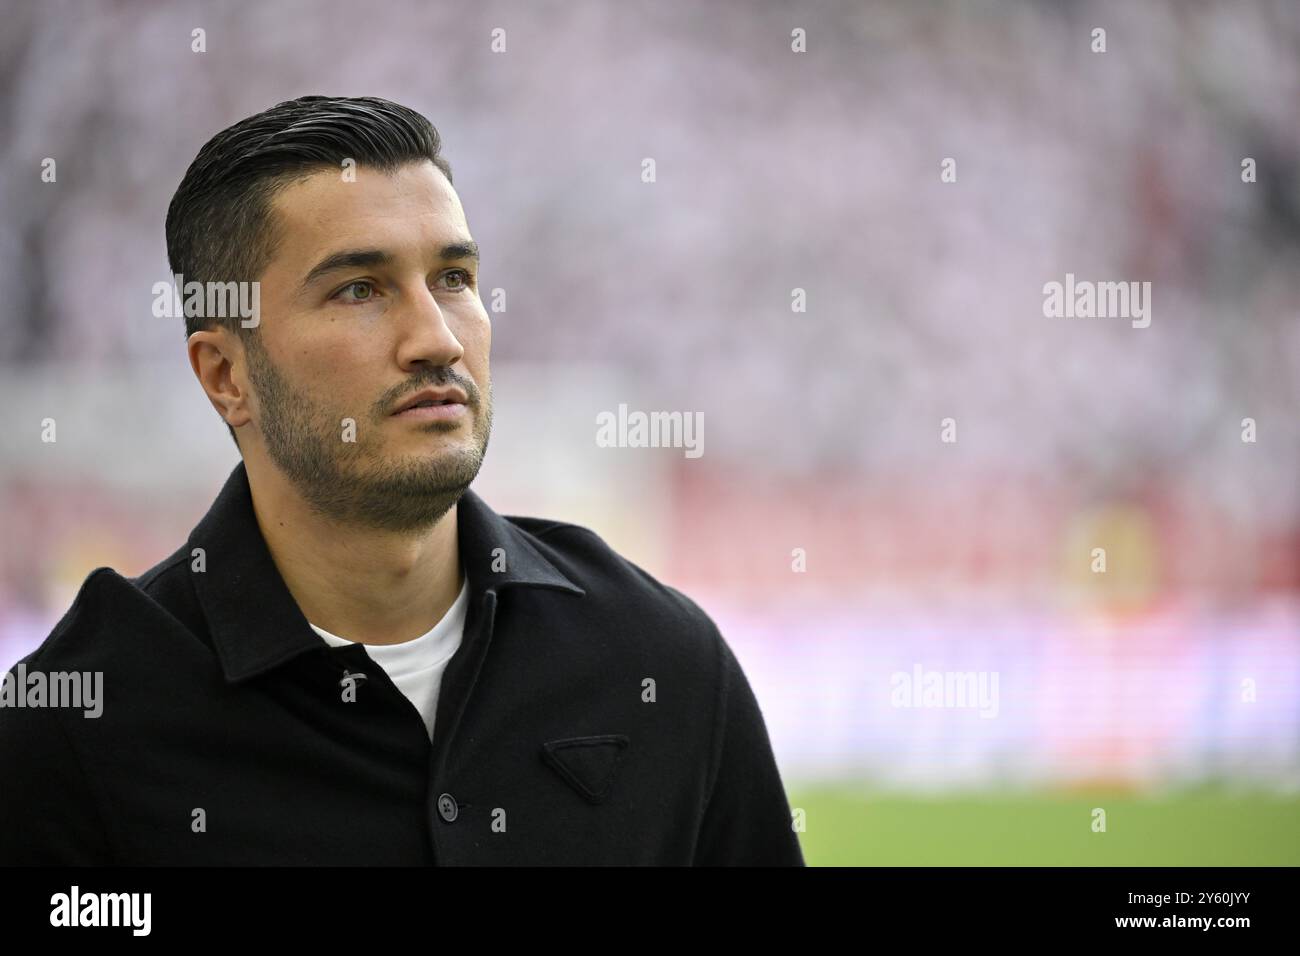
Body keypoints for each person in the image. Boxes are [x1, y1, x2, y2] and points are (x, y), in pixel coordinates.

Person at [0, 95, 804, 866]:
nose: (436, 340)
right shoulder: (79, 726)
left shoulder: (658, 659)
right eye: (360, 289)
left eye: (453, 279)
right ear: (225, 375)